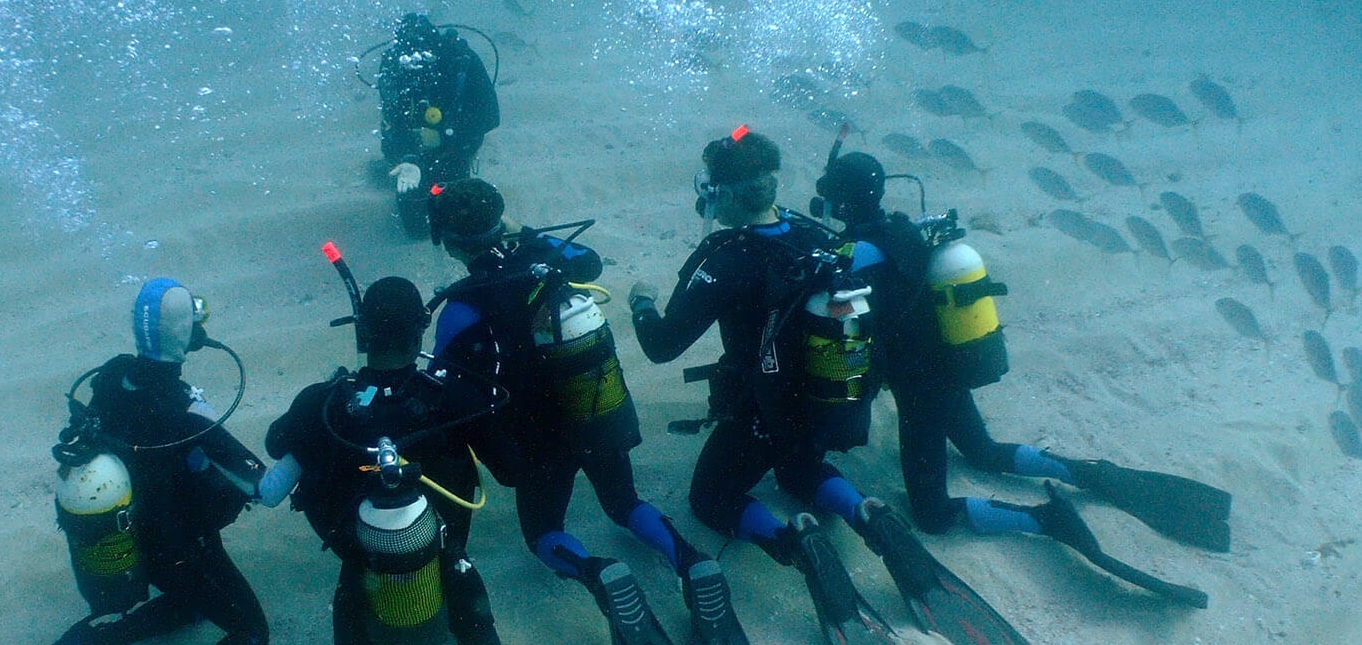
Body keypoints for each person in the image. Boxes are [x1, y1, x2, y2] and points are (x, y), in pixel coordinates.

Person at [626, 126, 1038, 644]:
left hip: (763, 412)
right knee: (799, 470)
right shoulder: (816, 234)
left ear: (721, 193)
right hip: (831, 399)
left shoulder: (722, 256)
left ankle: (794, 539)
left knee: (710, 496)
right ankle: (869, 515)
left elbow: (662, 347)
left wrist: (640, 303)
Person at [808, 146, 1224, 608]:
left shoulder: (855, 252)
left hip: (920, 390)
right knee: (983, 451)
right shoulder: (906, 230)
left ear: (842, 200)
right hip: (950, 366)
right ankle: (1084, 472)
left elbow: (825, 289)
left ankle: (1045, 520)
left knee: (932, 515)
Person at [426, 178, 747, 645]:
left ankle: (600, 572)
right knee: (624, 503)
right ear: (500, 222)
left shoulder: (460, 308)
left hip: (539, 440)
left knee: (542, 533)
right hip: (595, 408)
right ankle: (691, 560)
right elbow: (589, 259)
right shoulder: (550, 259)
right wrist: (523, 232)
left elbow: (441, 384)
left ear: (449, 243)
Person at [257, 275, 503, 645]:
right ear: (422, 329)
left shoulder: (322, 405)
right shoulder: (453, 397)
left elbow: (276, 444)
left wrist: (325, 403)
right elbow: (511, 470)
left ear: (362, 330)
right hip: (448, 559)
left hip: (360, 569)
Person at [51, 278, 270, 645]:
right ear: (186, 332)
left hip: (131, 543)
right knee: (252, 633)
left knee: (193, 605)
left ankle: (104, 637)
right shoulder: (188, 410)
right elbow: (261, 484)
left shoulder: (111, 375)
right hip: (181, 549)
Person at [375, 13, 500, 238]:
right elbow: (391, 124)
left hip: (455, 146)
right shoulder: (394, 67)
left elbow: (489, 116)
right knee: (417, 229)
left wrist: (445, 137)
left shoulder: (460, 61)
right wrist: (408, 158)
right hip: (413, 153)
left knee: (460, 220)